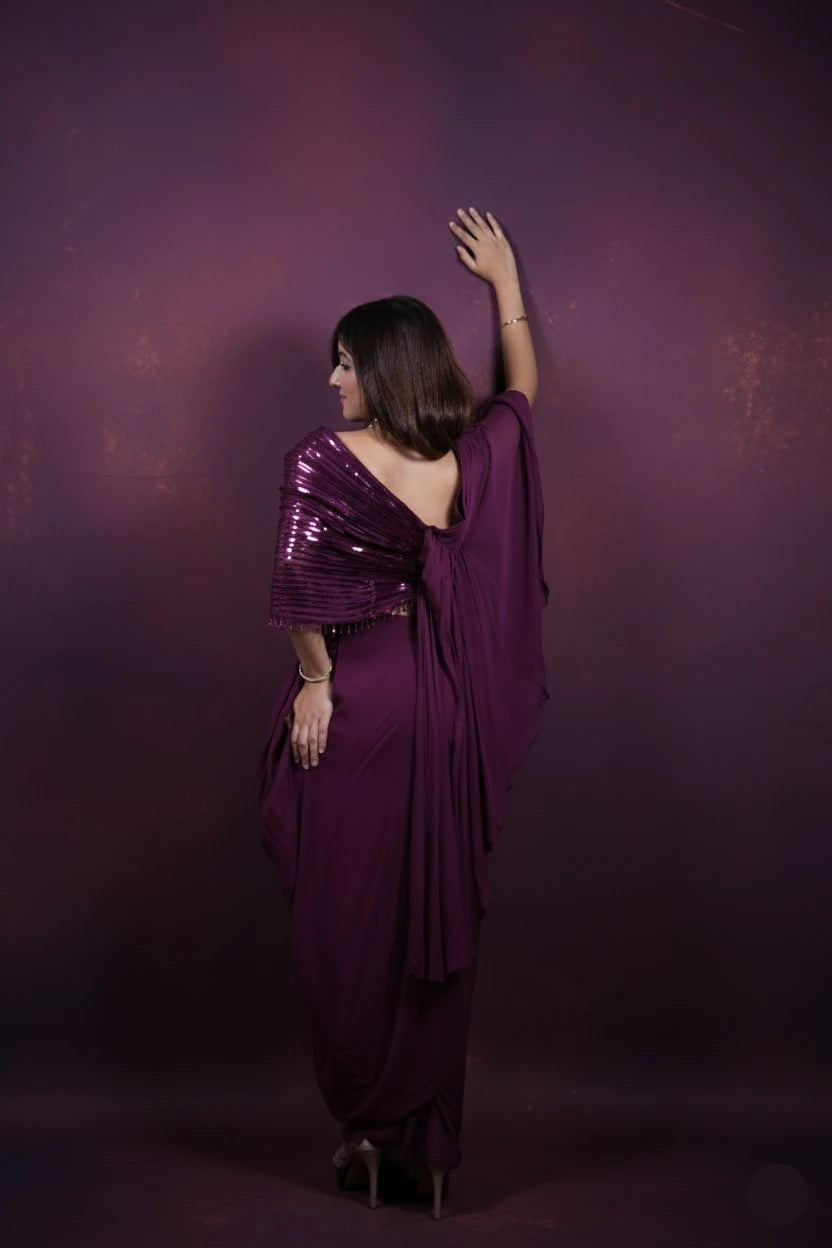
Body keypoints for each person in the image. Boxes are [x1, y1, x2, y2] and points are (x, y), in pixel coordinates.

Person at [258, 207, 549, 1219]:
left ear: (381, 371)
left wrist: (315, 681)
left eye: (346, 364)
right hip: (452, 711)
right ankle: (428, 1148)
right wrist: (504, 286)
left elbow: (296, 588)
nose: (333, 380)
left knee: (343, 923)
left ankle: (368, 1131)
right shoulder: (470, 458)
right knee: (438, 912)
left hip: (370, 702)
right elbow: (522, 394)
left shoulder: (321, 460)